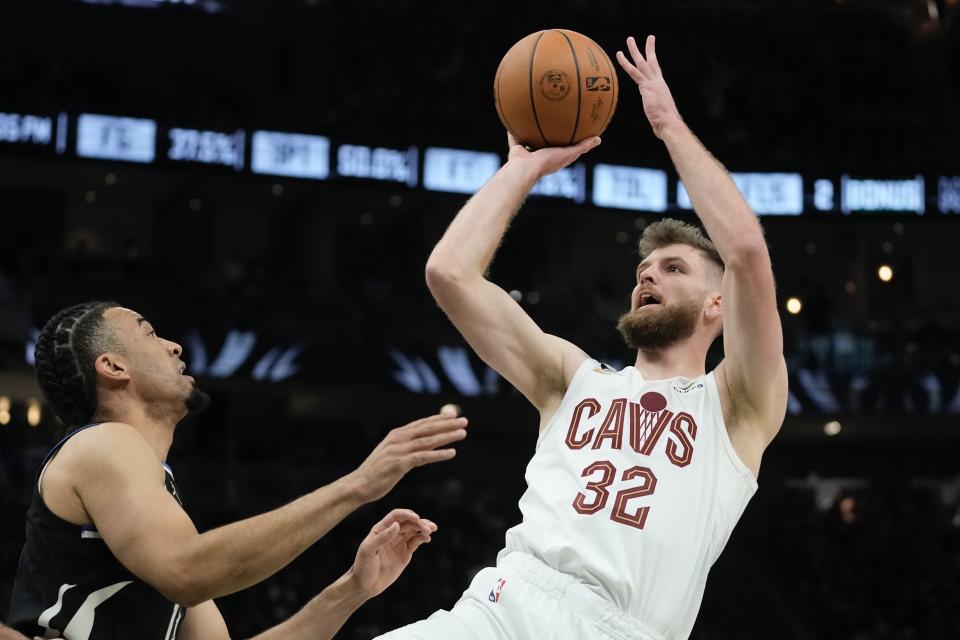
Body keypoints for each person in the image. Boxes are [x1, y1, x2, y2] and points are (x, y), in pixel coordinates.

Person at [379, 35, 787, 640]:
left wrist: (669, 126)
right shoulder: (573, 378)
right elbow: (450, 273)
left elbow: (748, 252)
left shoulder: (736, 405)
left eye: (674, 269)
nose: (648, 274)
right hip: (505, 603)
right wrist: (521, 170)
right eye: (644, 270)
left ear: (717, 304)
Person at [6, 301, 469, 639]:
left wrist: (352, 588)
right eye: (149, 334)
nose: (173, 345)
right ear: (112, 366)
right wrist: (357, 486)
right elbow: (187, 571)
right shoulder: (105, 441)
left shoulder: (158, 511)